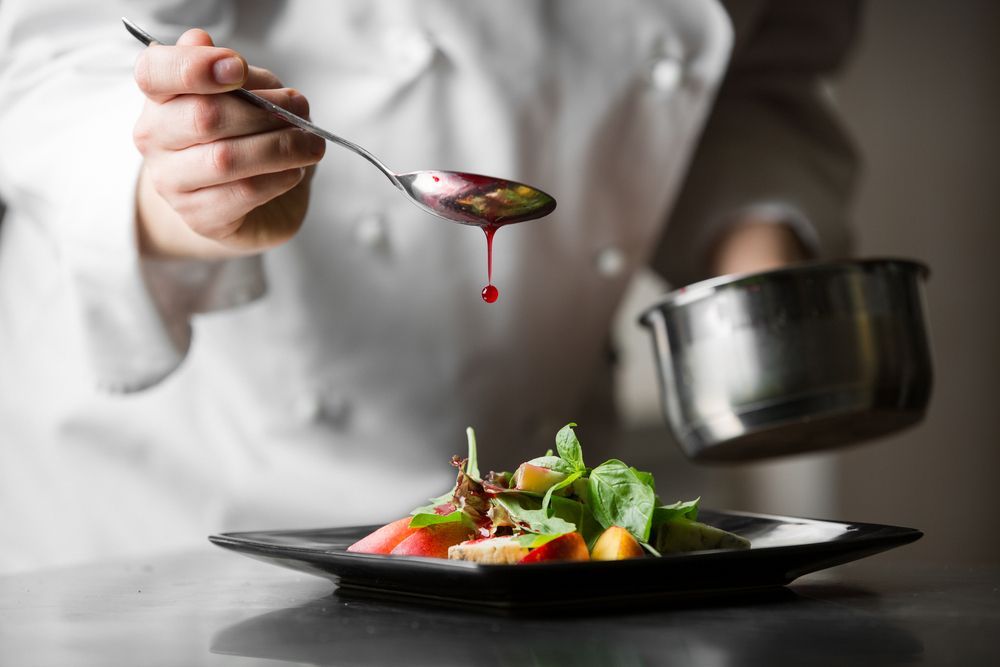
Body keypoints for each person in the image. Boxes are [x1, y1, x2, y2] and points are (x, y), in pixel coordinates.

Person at [0, 0, 859, 573]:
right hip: (183, 502)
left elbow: (754, 73)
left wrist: (759, 257)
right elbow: (53, 56)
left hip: (550, 509)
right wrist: (190, 183)